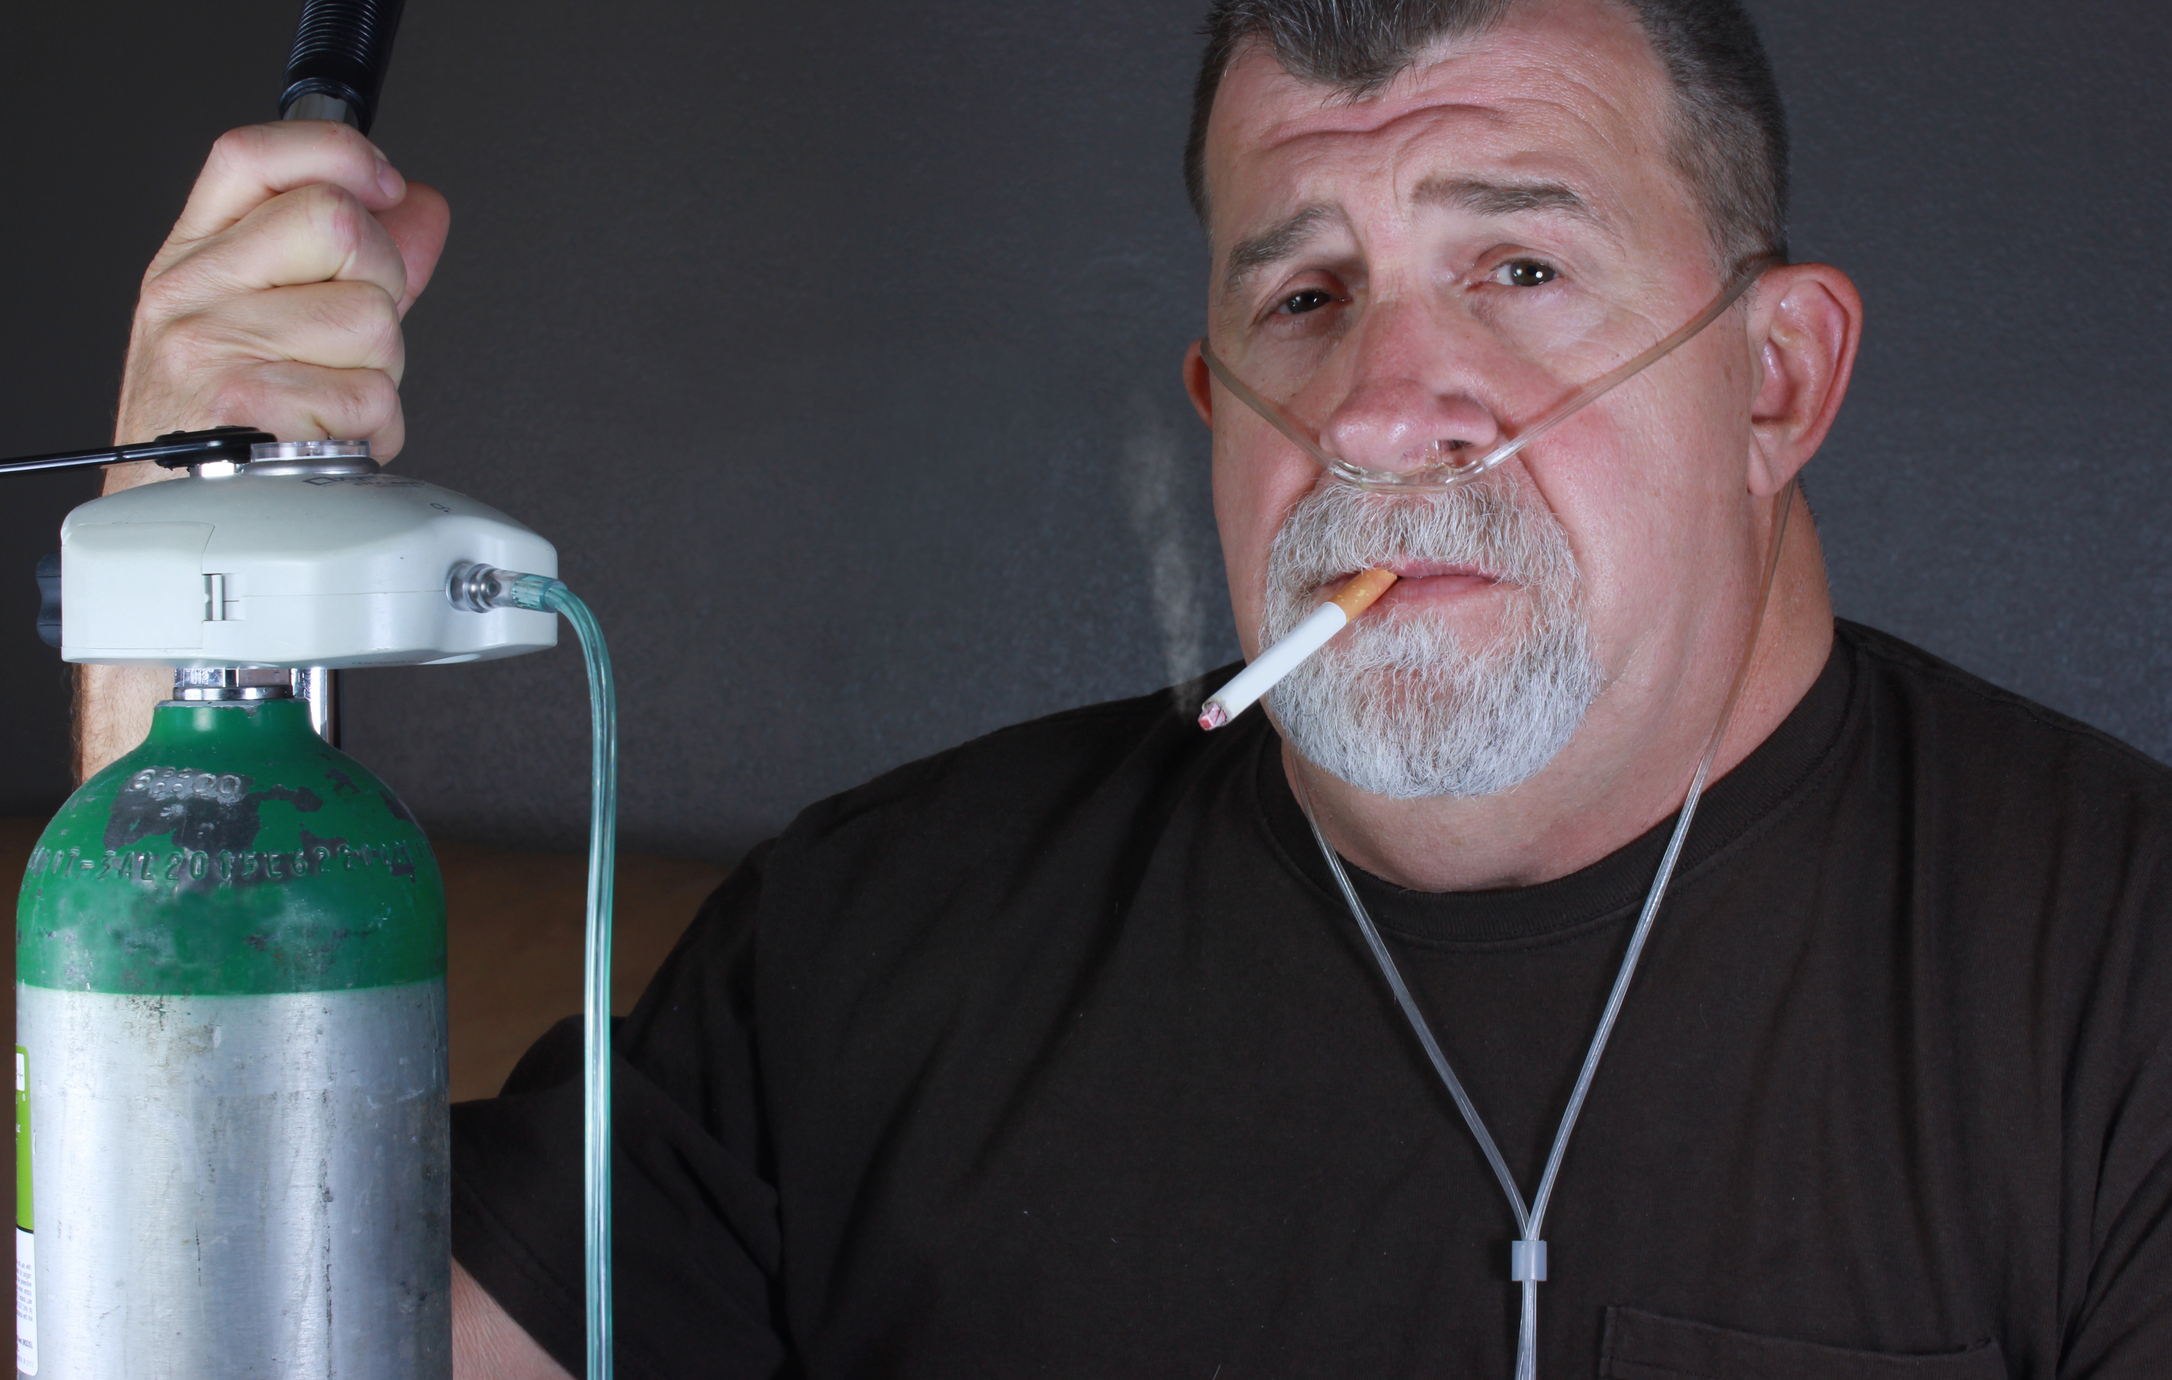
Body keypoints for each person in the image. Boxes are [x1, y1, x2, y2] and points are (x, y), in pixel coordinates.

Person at [88, 0, 2172, 1376]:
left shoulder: (2117, 977)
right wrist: (178, 595)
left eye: (1521, 270)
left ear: (1777, 380)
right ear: (1214, 398)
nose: (1381, 410)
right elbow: (237, 1348)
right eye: (1305, 291)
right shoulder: (877, 942)